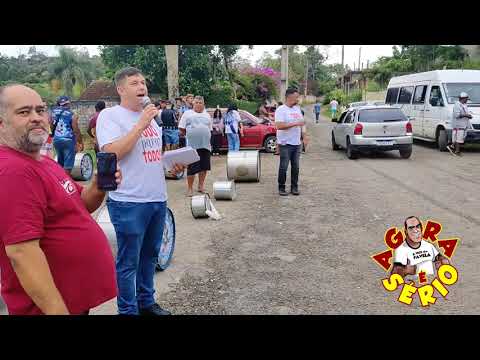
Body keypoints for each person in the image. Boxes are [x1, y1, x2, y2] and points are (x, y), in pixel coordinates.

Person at [0, 84, 120, 315]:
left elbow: (80, 205)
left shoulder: (41, 161)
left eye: (40, 110)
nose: (36, 118)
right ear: (2, 123)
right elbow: (22, 253)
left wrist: (97, 185)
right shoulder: (12, 170)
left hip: (71, 301)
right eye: (24, 112)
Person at [96, 67, 185, 315]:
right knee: (128, 262)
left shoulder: (153, 122)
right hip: (128, 201)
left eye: (143, 82)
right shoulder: (110, 116)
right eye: (134, 83)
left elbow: (150, 157)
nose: (141, 87)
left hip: (157, 198)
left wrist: (170, 163)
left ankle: (147, 302)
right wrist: (141, 123)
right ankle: (127, 310)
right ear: (121, 89)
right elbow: (111, 153)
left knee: (150, 256)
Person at [275, 88, 309, 196]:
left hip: (296, 143)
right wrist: (295, 124)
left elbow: (302, 123)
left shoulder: (297, 109)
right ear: (289, 97)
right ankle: (281, 188)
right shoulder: (281, 110)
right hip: (285, 143)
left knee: (296, 167)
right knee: (283, 167)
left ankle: (294, 187)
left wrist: (304, 136)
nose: (298, 99)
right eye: (296, 97)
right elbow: (279, 126)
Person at [178, 96, 213, 197]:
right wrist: (191, 134)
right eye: (196, 102)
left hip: (205, 145)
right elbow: (181, 128)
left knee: (204, 167)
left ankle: (200, 186)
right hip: (192, 146)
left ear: (203, 104)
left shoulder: (207, 115)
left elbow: (209, 129)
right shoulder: (187, 114)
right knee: (192, 168)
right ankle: (190, 189)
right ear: (193, 104)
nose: (198, 104)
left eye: (200, 103)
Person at [51, 95, 83, 174]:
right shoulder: (71, 114)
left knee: (60, 163)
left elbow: (51, 125)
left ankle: (59, 183)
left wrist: (53, 134)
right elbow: (75, 129)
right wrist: (80, 141)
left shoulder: (53, 112)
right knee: (68, 166)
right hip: (68, 140)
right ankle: (65, 182)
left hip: (56, 140)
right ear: (68, 104)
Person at [448, 92, 473, 156]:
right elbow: (457, 115)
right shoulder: (457, 105)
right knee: (458, 139)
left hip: (463, 125)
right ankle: (457, 151)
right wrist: (466, 115)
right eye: (466, 99)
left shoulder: (464, 105)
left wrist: (468, 115)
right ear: (463, 98)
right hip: (458, 125)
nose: (467, 100)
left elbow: (465, 112)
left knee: (460, 139)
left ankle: (452, 147)